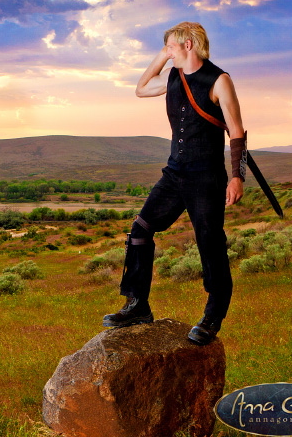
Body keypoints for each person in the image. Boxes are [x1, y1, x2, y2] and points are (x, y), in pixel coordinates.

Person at [102, 22, 246, 345]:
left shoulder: (219, 81)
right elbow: (140, 88)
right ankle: (138, 304)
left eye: (172, 47)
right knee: (140, 229)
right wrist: (165, 55)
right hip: (175, 172)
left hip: (206, 176)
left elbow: (236, 131)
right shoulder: (173, 77)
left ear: (189, 45)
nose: (167, 53)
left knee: (209, 241)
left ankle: (214, 313)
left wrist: (237, 176)